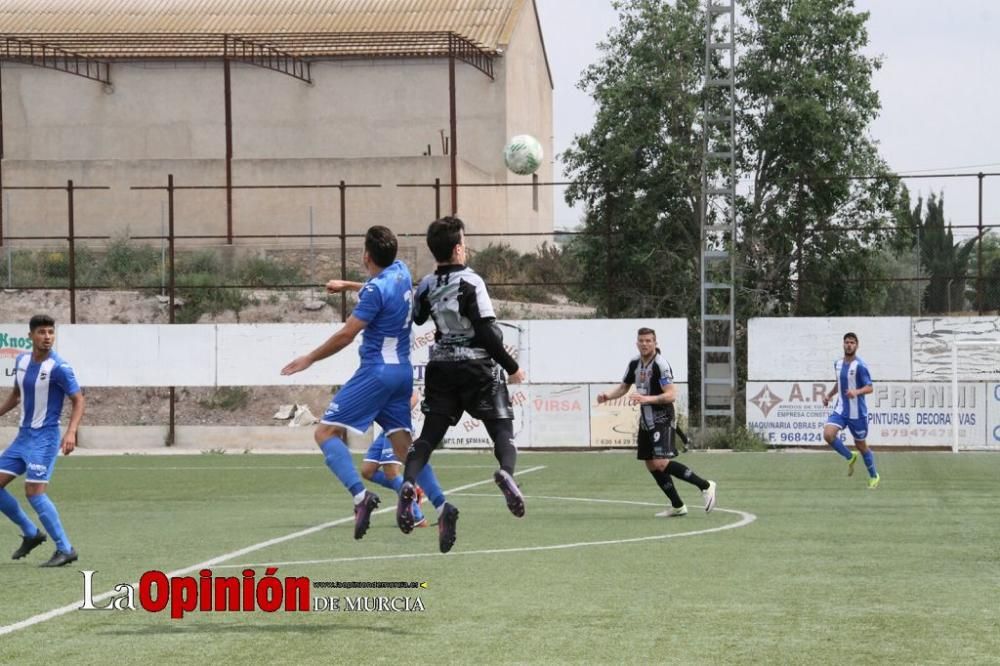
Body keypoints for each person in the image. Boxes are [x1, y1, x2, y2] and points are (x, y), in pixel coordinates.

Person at [398, 216, 527, 553]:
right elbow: (485, 330)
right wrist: (512, 366)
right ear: (458, 248)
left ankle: (409, 482)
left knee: (428, 436)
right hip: (476, 367)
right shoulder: (472, 282)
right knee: (502, 428)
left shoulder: (426, 284)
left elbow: (419, 317)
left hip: (441, 366)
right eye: (464, 242)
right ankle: (506, 473)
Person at [282, 225, 416, 540]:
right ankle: (431, 501)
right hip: (403, 373)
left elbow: (346, 334)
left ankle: (360, 497)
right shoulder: (402, 273)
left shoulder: (374, 290)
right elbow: (379, 287)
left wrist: (310, 358)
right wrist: (348, 285)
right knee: (404, 449)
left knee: (325, 432)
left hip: (377, 372)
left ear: (366, 255)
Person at [597, 327, 716, 517]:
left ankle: (705, 485)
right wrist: (608, 396)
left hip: (662, 416)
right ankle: (678, 506)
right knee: (650, 463)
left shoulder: (661, 364)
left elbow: (671, 395)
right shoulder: (635, 363)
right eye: (641, 341)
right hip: (646, 418)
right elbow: (624, 387)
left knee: (661, 462)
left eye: (648, 341)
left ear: (655, 342)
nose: (644, 344)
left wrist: (647, 399)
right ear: (637, 343)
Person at [0, 314, 84, 567]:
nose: (47, 337)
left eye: (50, 332)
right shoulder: (22, 360)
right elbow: (16, 395)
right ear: (31, 336)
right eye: (42, 332)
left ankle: (65, 549)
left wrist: (71, 432)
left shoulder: (59, 367)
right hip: (23, 437)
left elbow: (78, 400)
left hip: (45, 439)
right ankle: (31, 533)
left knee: (34, 492)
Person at [822, 332, 880, 488]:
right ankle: (849, 456)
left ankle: (874, 476)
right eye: (847, 342)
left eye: (852, 342)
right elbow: (840, 384)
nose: (849, 345)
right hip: (841, 410)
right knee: (828, 434)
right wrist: (829, 395)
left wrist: (856, 392)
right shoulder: (838, 364)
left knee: (861, 445)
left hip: (857, 413)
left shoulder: (860, 366)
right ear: (843, 344)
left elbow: (870, 388)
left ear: (857, 345)